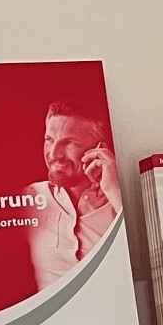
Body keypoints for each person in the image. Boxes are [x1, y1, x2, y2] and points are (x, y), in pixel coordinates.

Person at [28, 100, 122, 291]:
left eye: (70, 143)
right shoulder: (29, 199)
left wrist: (114, 191)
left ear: (99, 148)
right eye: (49, 140)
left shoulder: (119, 201)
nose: (54, 154)